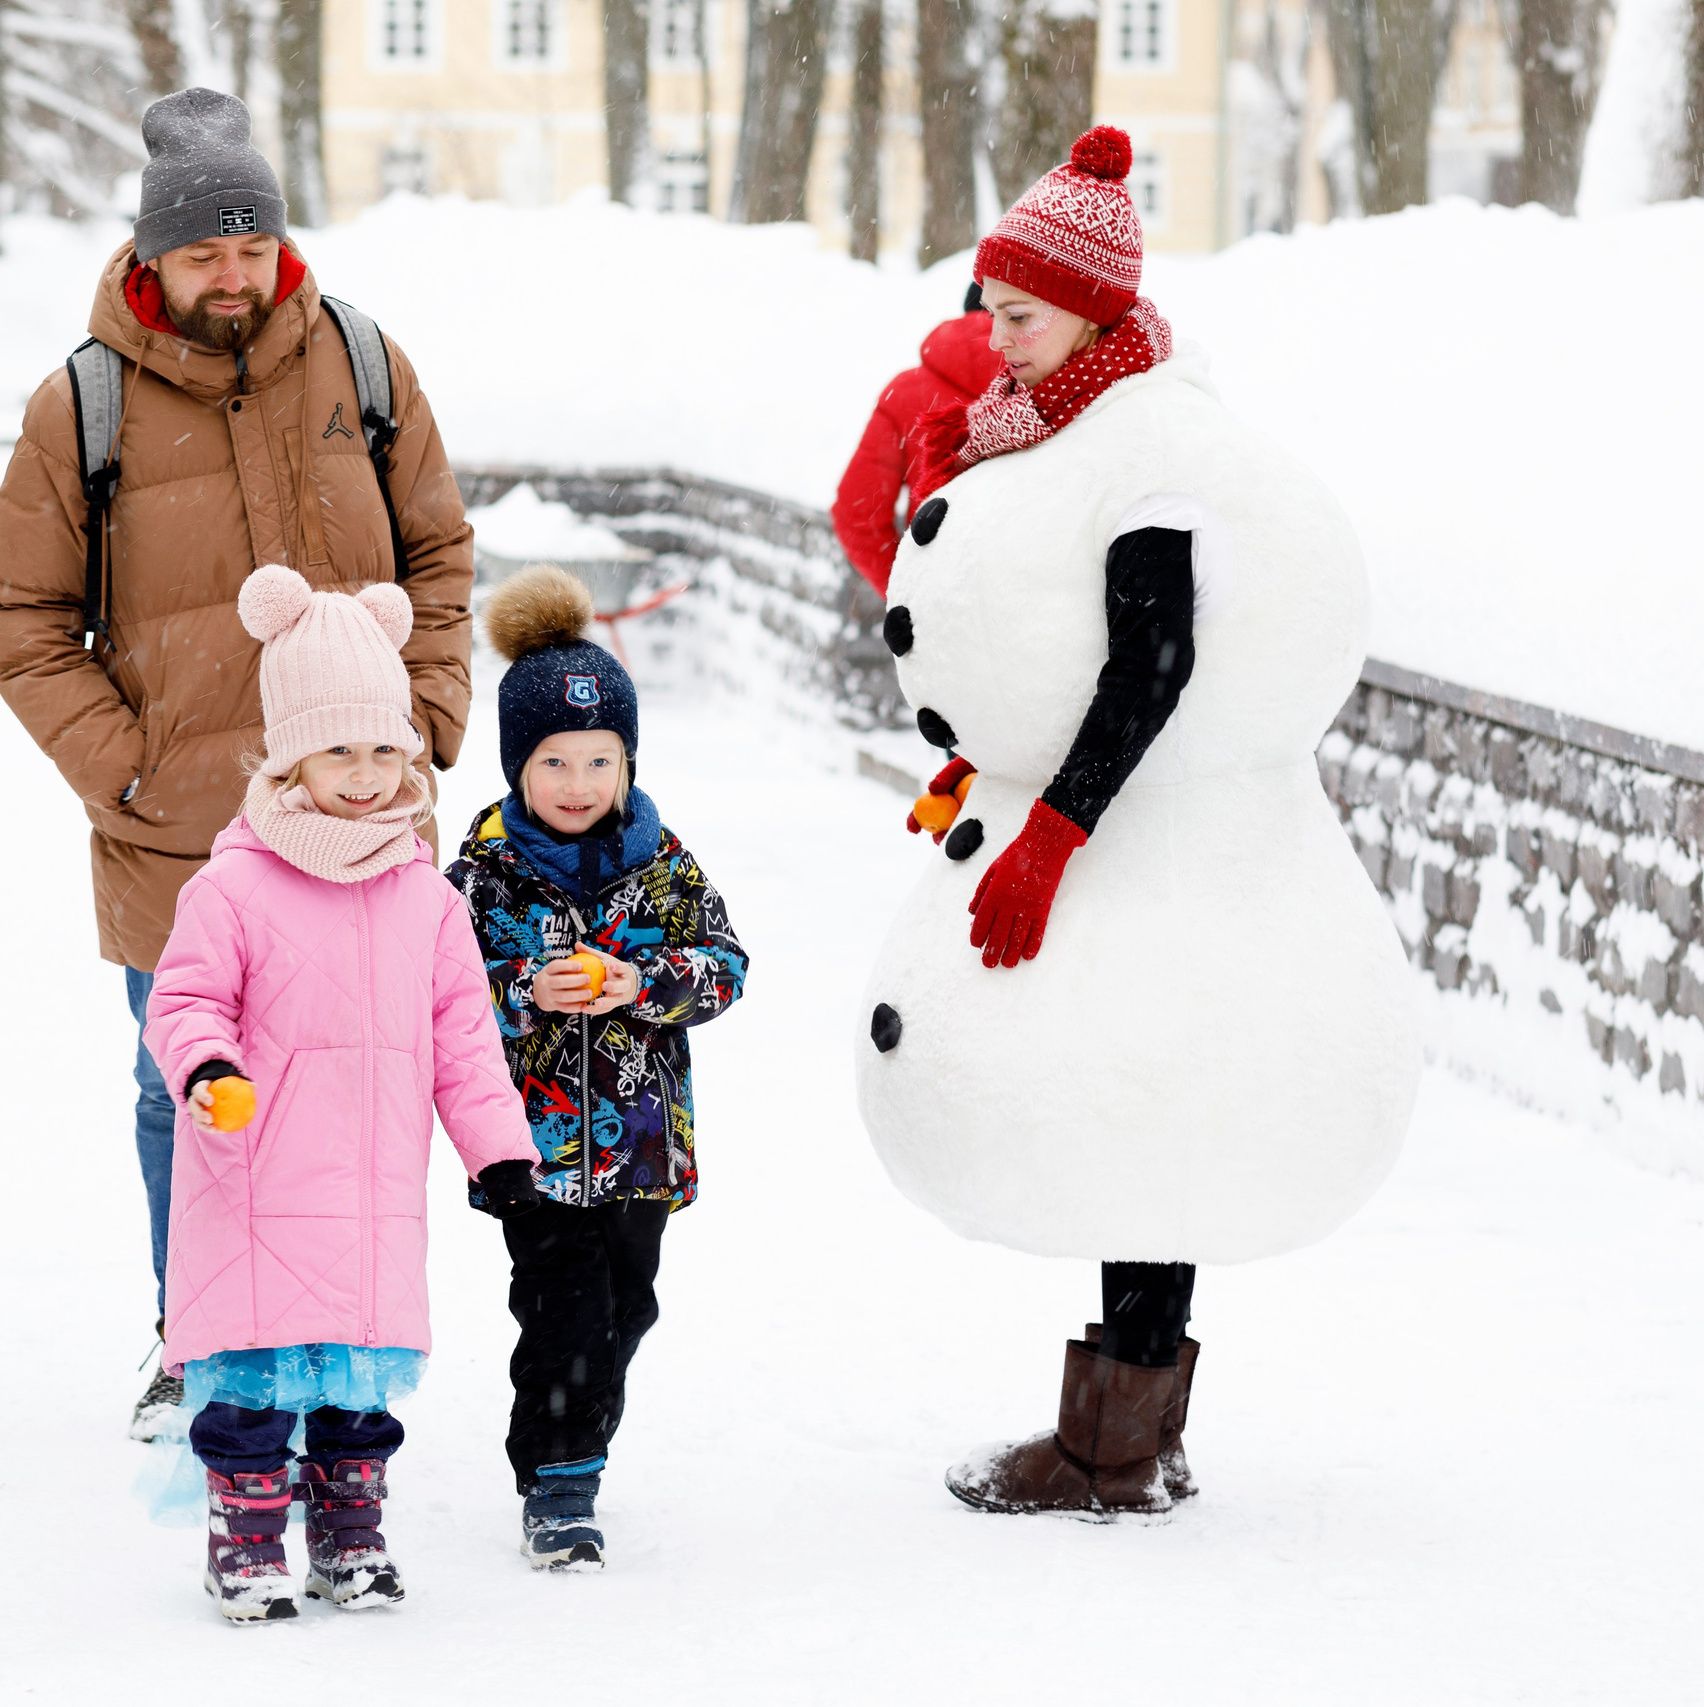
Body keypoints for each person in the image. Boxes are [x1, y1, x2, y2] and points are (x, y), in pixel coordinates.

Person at [852, 127, 1419, 1515]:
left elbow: (1150, 662)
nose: (1000, 337)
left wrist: (1055, 830)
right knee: (1144, 1113)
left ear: (1097, 308)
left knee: (1162, 1100)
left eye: (1022, 313)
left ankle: (1116, 1446)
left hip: (1165, 854)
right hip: (1145, 848)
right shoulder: (1079, 416)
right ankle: (1126, 1432)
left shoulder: (1151, 451)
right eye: (991, 309)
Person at [0, 86, 475, 1442]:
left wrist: (421, 723)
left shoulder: (363, 364)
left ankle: (332, 1342)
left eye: (251, 248)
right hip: (180, 829)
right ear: (152, 261)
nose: (233, 276)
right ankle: (195, 1336)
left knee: (355, 1081)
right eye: (204, 255)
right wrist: (127, 769)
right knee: (184, 1087)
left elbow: (436, 552)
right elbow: (20, 615)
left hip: (365, 811)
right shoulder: (81, 401)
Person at [144, 565, 540, 1620]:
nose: (364, 776)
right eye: (337, 752)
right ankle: (247, 1538)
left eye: (384, 750)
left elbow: (465, 1036)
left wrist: (498, 1150)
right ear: (288, 758)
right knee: (253, 1390)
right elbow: (181, 1005)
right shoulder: (229, 884)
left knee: (357, 1397)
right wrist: (207, 1072)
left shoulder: (425, 898)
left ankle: (350, 1537)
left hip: (369, 1193)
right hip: (257, 1177)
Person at [443, 567, 748, 1569]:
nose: (578, 785)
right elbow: (436, 996)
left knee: (629, 1305)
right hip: (529, 1148)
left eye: (599, 761)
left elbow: (725, 968)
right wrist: (525, 988)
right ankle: (560, 1479)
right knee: (562, 1308)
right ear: (515, 767)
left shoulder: (662, 865)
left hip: (642, 1152)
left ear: (626, 762)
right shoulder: (482, 876)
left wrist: (640, 979)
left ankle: (578, 1426)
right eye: (555, 763)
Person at [830, 283, 1002, 596]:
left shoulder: (906, 391)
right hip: (1025, 607)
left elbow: (855, 514)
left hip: (938, 597)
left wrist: (904, 593)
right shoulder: (1052, 384)